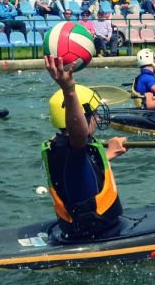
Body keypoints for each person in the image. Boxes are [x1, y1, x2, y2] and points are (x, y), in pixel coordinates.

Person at [42, 55, 127, 240]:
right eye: (94, 114)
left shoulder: (59, 146)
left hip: (77, 228)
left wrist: (109, 153)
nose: (97, 118)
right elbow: (78, 137)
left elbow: (79, 171)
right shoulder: (75, 146)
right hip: (98, 233)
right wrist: (69, 90)